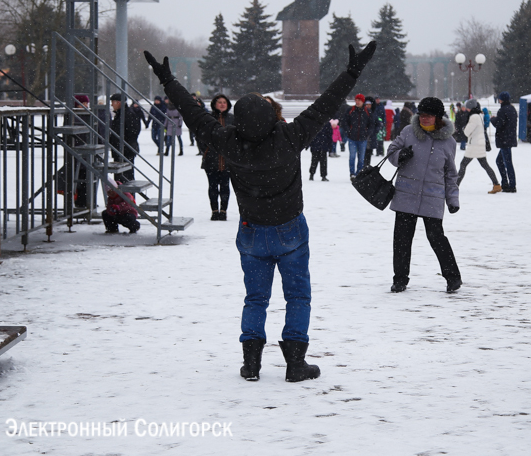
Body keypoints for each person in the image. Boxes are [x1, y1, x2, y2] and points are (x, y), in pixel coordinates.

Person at [144, 41, 376, 382]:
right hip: (290, 230)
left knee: (256, 298)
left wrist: (168, 82)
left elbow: (195, 115)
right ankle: (296, 362)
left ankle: (251, 362)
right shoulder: (291, 136)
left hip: (252, 231)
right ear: (270, 117)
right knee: (297, 295)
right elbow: (325, 105)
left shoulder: (229, 141)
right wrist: (352, 72)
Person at [386, 97, 461, 294]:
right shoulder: (408, 132)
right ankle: (400, 279)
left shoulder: (449, 142)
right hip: (406, 194)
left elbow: (451, 174)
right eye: (422, 114)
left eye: (429, 115)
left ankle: (453, 277)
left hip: (432, 197)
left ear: (438, 117)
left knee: (436, 237)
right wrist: (399, 156)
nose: (424, 118)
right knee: (402, 239)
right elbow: (392, 150)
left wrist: (453, 199)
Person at [199, 94, 235, 221]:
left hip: (228, 159)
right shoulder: (209, 118)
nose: (222, 104)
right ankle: (214, 210)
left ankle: (223, 210)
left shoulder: (232, 119)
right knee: (213, 186)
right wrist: (207, 149)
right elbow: (201, 136)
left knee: (225, 186)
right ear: (214, 104)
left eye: (224, 102)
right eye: (219, 102)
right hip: (211, 159)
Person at [456, 99, 500, 193]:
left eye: (467, 108)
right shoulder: (478, 115)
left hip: (474, 145)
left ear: (470, 108)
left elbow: (467, 132)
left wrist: (464, 128)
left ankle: (455, 187)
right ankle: (496, 184)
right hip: (479, 144)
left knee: (463, 164)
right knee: (485, 165)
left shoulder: (474, 117)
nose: (466, 109)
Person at [109, 93, 142, 183]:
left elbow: (133, 132)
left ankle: (127, 196)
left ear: (119, 103)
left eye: (113, 102)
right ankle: (124, 196)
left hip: (125, 151)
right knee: (122, 178)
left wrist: (122, 143)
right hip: (122, 150)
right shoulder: (122, 114)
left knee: (126, 179)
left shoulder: (128, 114)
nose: (111, 105)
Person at [490, 91, 518, 193]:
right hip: (510, 138)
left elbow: (499, 124)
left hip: (504, 139)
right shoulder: (512, 109)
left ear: (501, 100)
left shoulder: (502, 110)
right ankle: (506, 183)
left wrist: (492, 120)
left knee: (507, 163)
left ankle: (511, 185)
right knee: (500, 161)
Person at [342, 93, 372, 179]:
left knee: (361, 158)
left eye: (359, 100)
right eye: (356, 100)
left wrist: (367, 133)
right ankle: (352, 173)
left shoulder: (367, 111)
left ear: (363, 101)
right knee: (352, 156)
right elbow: (345, 122)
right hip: (352, 138)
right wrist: (349, 131)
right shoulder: (350, 110)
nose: (357, 102)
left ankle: (359, 173)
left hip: (363, 138)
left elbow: (371, 124)